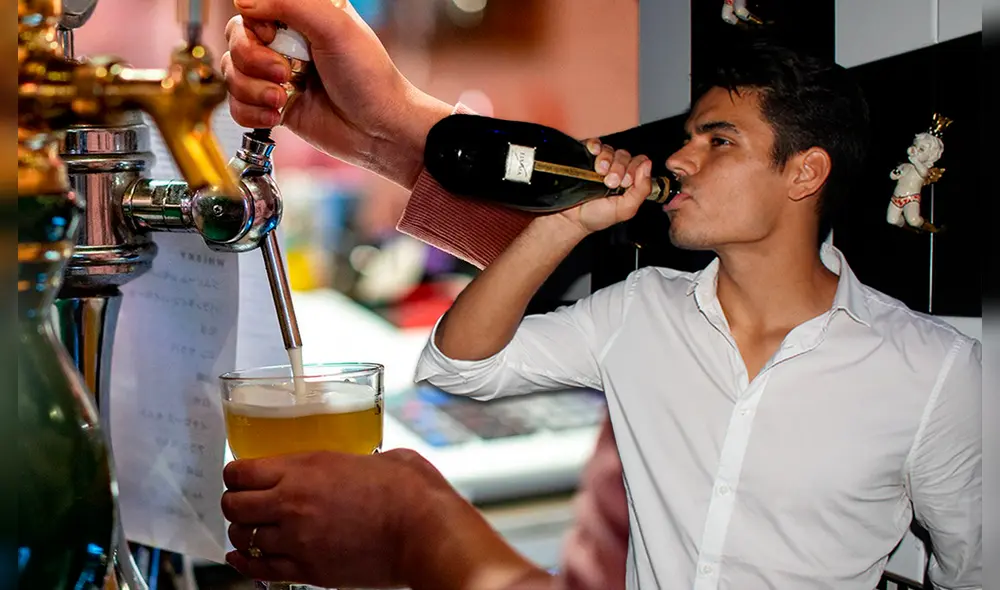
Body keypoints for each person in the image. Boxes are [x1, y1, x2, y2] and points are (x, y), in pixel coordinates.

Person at [219, 1, 983, 589]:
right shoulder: (647, 307)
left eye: (717, 141)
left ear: (805, 173)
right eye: (687, 136)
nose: (677, 160)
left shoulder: (931, 370)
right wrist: (380, 124)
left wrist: (415, 526)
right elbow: (461, 365)